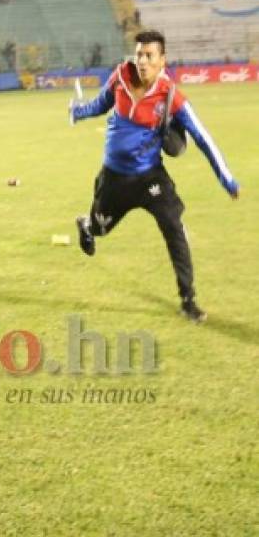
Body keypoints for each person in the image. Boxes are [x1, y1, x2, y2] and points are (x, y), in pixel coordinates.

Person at [70, 29, 240, 322]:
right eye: (139, 54)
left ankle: (188, 300)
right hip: (114, 179)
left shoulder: (170, 95)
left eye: (149, 56)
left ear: (162, 60)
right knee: (100, 229)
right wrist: (78, 112)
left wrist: (226, 178)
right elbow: (101, 103)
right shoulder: (121, 76)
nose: (142, 61)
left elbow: (201, 136)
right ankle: (87, 224)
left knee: (173, 227)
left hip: (150, 177)